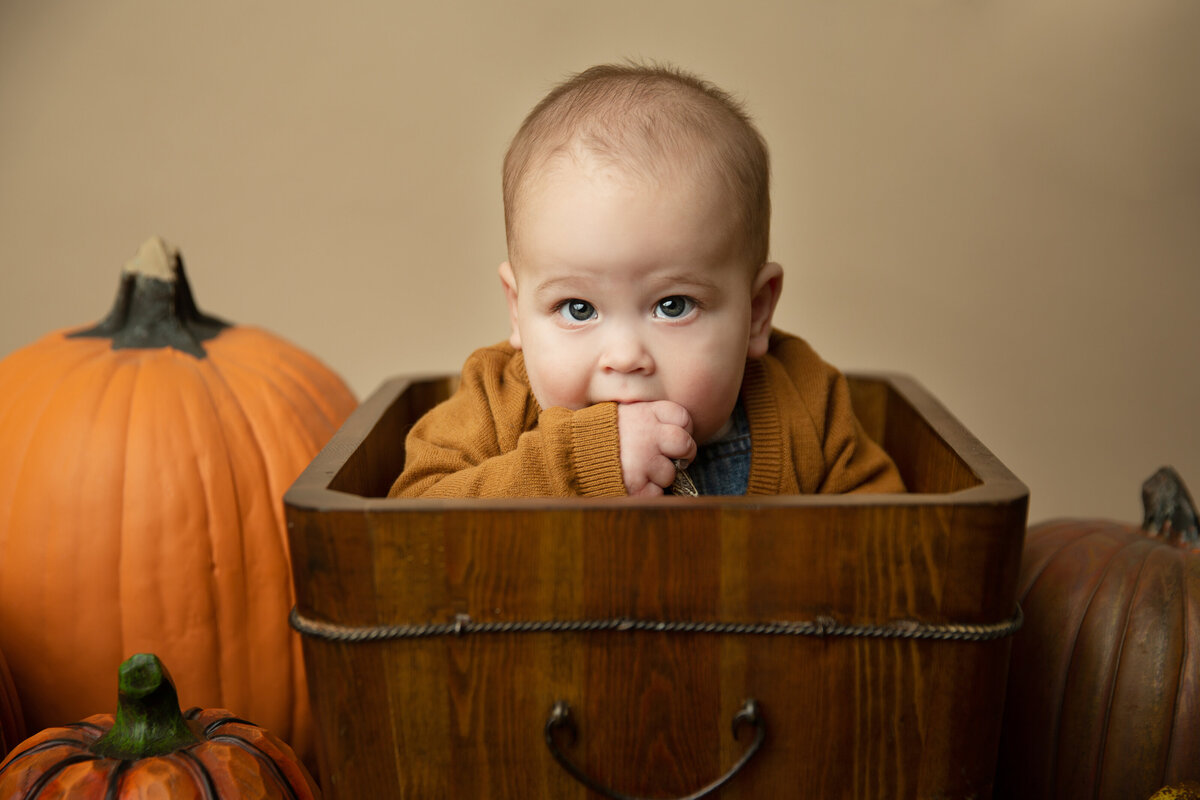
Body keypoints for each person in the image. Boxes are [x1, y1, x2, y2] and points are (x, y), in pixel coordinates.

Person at [389, 62, 904, 498]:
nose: (625, 356)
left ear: (757, 312)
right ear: (516, 310)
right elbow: (412, 514)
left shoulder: (805, 400)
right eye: (578, 308)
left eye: (673, 305)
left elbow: (889, 541)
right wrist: (579, 461)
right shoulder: (494, 404)